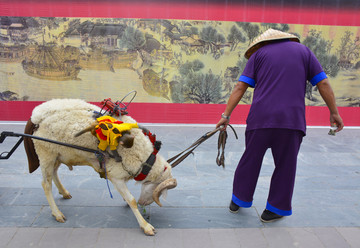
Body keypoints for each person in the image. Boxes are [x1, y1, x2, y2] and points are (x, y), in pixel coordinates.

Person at [216, 28, 344, 222]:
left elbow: (240, 86)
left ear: (263, 42)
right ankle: (274, 209)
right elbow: (323, 83)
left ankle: (239, 199)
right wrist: (334, 112)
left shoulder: (258, 55)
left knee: (250, 159)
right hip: (291, 121)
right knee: (286, 164)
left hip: (260, 119)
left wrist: (226, 115)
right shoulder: (304, 52)